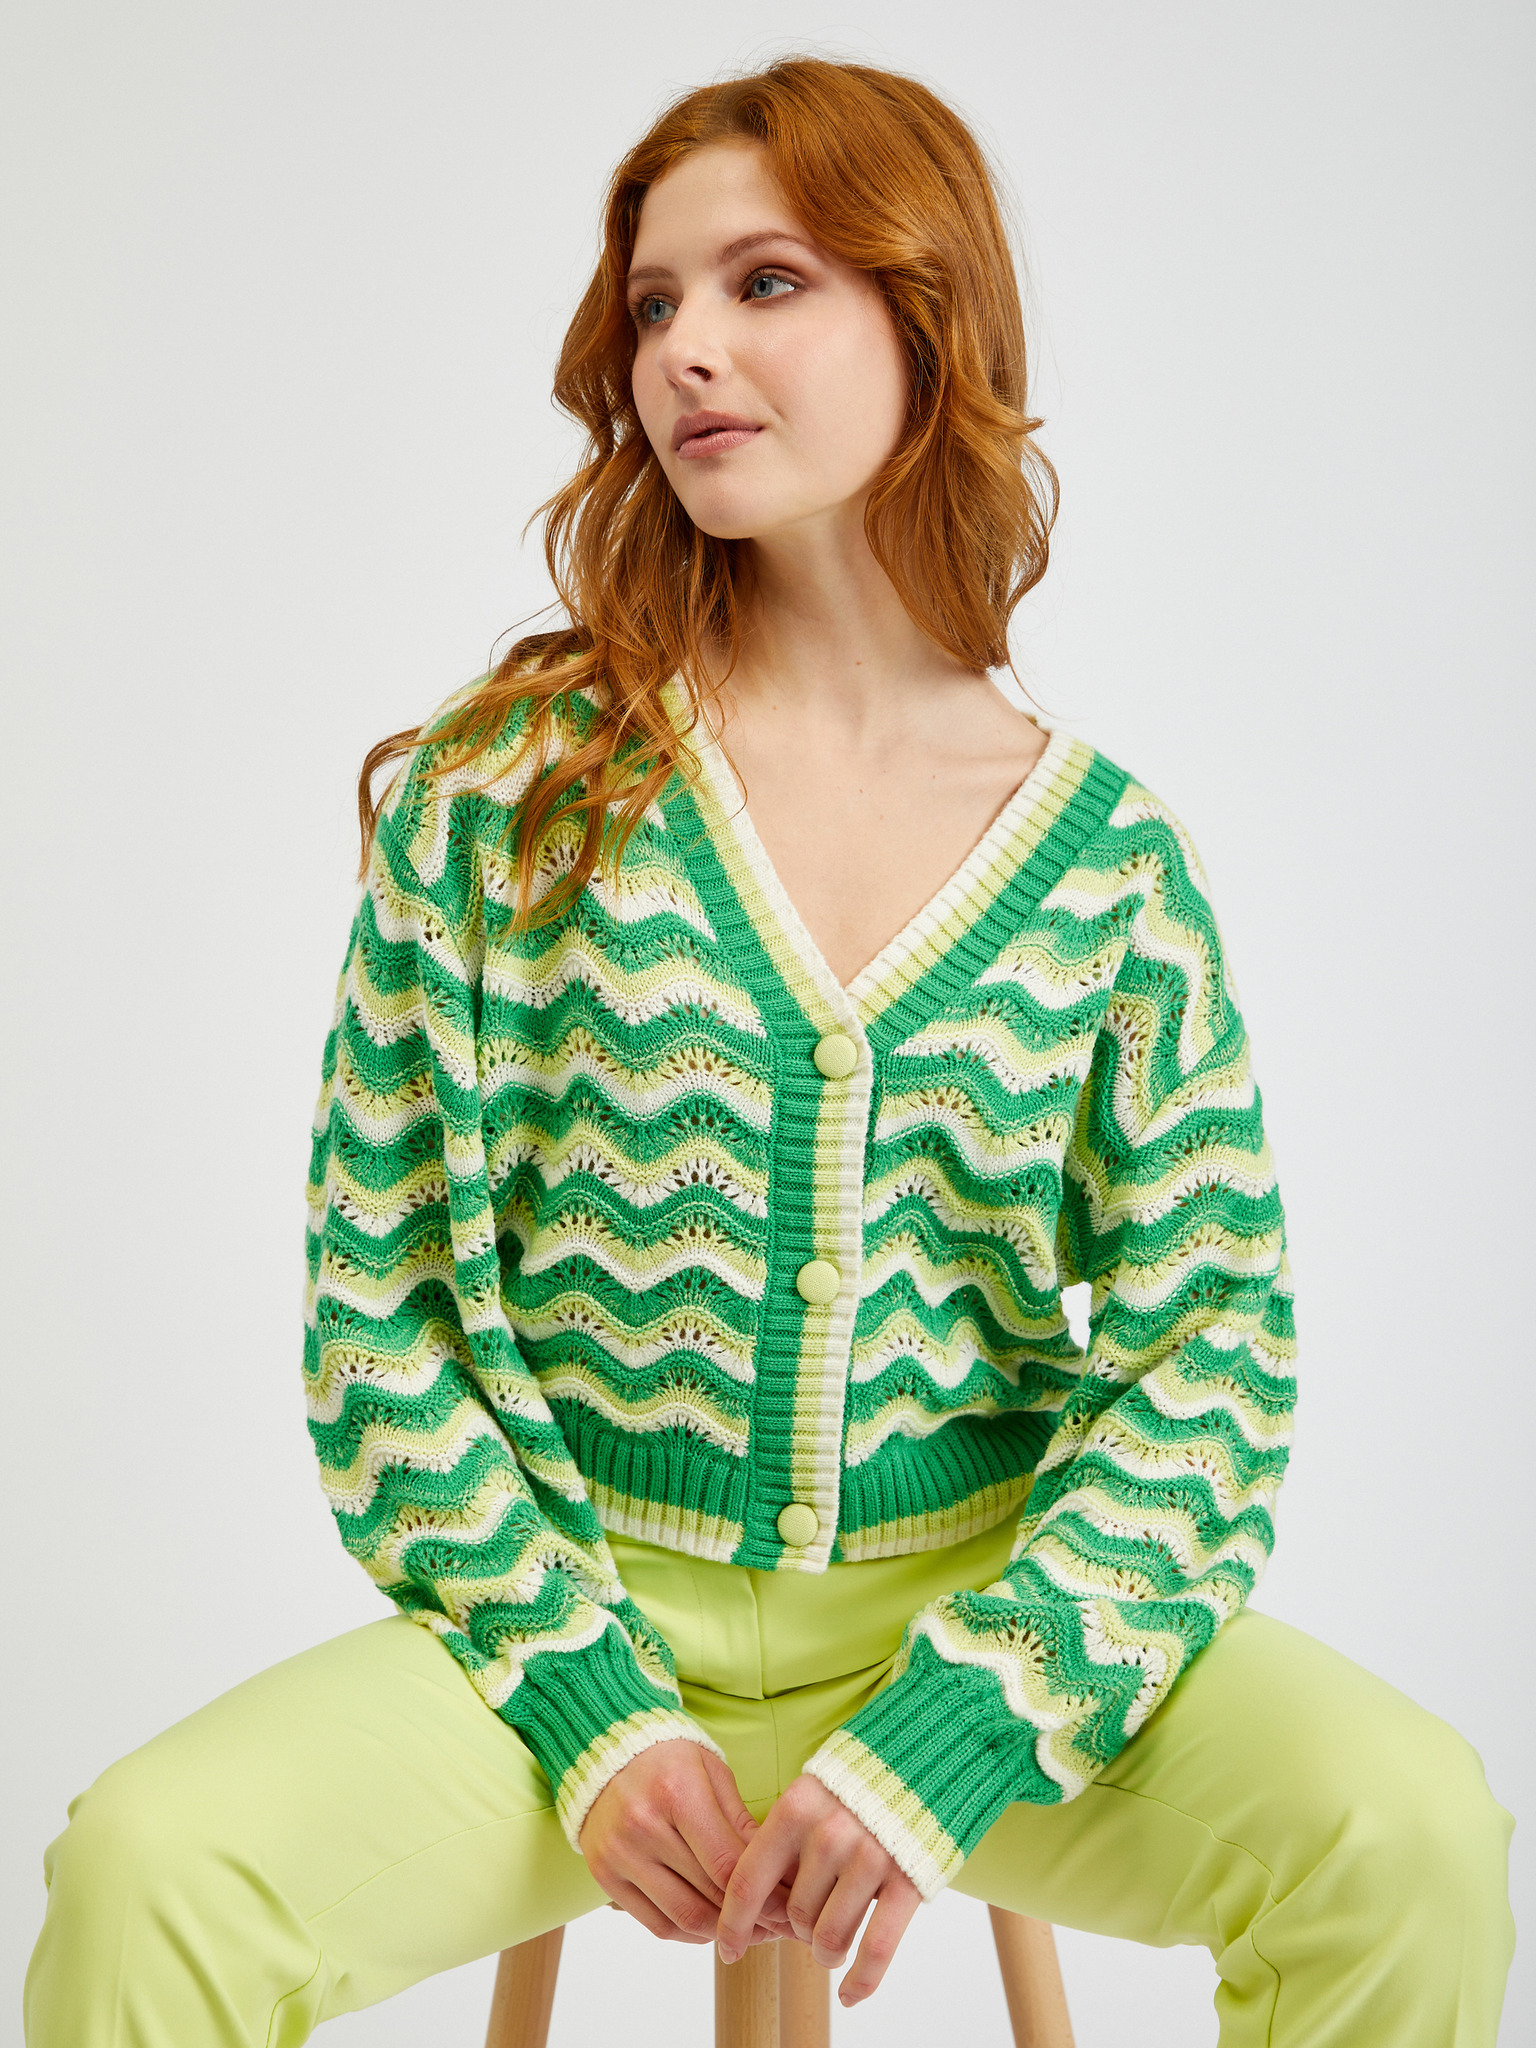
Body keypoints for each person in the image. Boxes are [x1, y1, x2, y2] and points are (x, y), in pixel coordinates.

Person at [23, 53, 1514, 2048]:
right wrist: (582, 1695)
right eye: (655, 303)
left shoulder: (1109, 869)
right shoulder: (511, 797)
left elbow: (1210, 1354)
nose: (687, 352)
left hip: (973, 1644)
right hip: (570, 1630)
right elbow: (384, 1301)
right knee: (149, 1875)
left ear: (931, 319)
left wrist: (967, 1720)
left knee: (1411, 1836)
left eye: (767, 283)